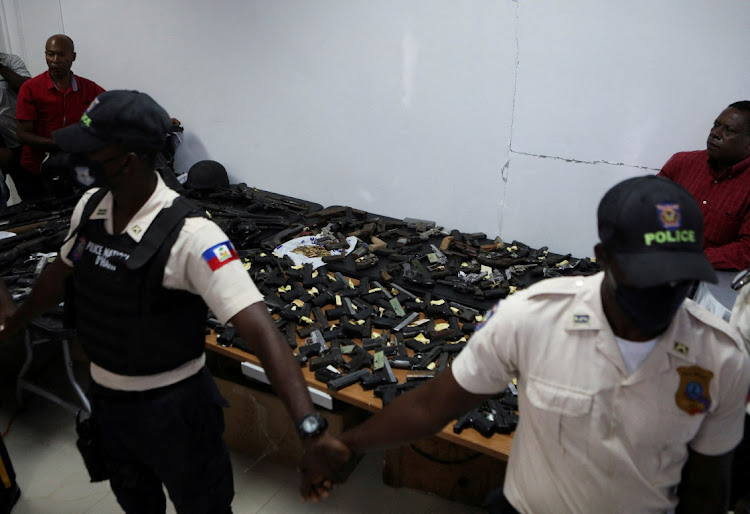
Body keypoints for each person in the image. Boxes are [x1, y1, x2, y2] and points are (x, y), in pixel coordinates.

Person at [303, 175, 750, 513]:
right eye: (648, 277)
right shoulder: (534, 317)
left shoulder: (722, 355)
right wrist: (350, 445)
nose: (666, 292)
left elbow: (709, 484)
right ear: (603, 258)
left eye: (681, 277)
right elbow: (431, 407)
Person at [0, 90, 344, 512]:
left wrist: (311, 430)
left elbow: (263, 332)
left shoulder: (193, 236)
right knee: (136, 501)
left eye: (91, 151)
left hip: (177, 410)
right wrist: (17, 319)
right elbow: (61, 271)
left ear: (127, 159)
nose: (78, 161)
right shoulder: (90, 206)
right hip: (108, 401)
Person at [658, 101, 750, 271]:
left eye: (728, 130)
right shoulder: (681, 163)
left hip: (713, 283)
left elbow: (746, 250)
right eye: (716, 125)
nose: (715, 133)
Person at [14, 35, 104, 199]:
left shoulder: (89, 88)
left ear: (73, 57)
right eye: (50, 54)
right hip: (36, 170)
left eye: (61, 55)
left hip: (75, 168)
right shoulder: (30, 89)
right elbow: (22, 134)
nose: (55, 60)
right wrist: (59, 144)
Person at [0, 51, 31, 205]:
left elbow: (27, 88)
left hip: (18, 142)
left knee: (31, 193)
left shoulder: (11, 61)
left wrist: (1, 67)